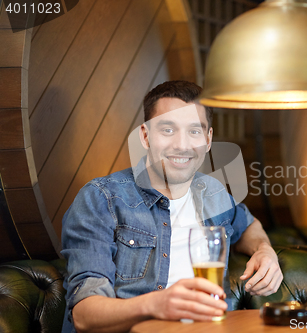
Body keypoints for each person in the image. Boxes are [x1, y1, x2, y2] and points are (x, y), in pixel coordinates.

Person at [61, 80, 283, 333]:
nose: (182, 145)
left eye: (194, 131)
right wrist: (154, 305)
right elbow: (84, 315)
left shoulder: (213, 193)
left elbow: (248, 225)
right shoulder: (101, 199)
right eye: (168, 130)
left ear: (208, 140)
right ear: (145, 136)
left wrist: (265, 250)